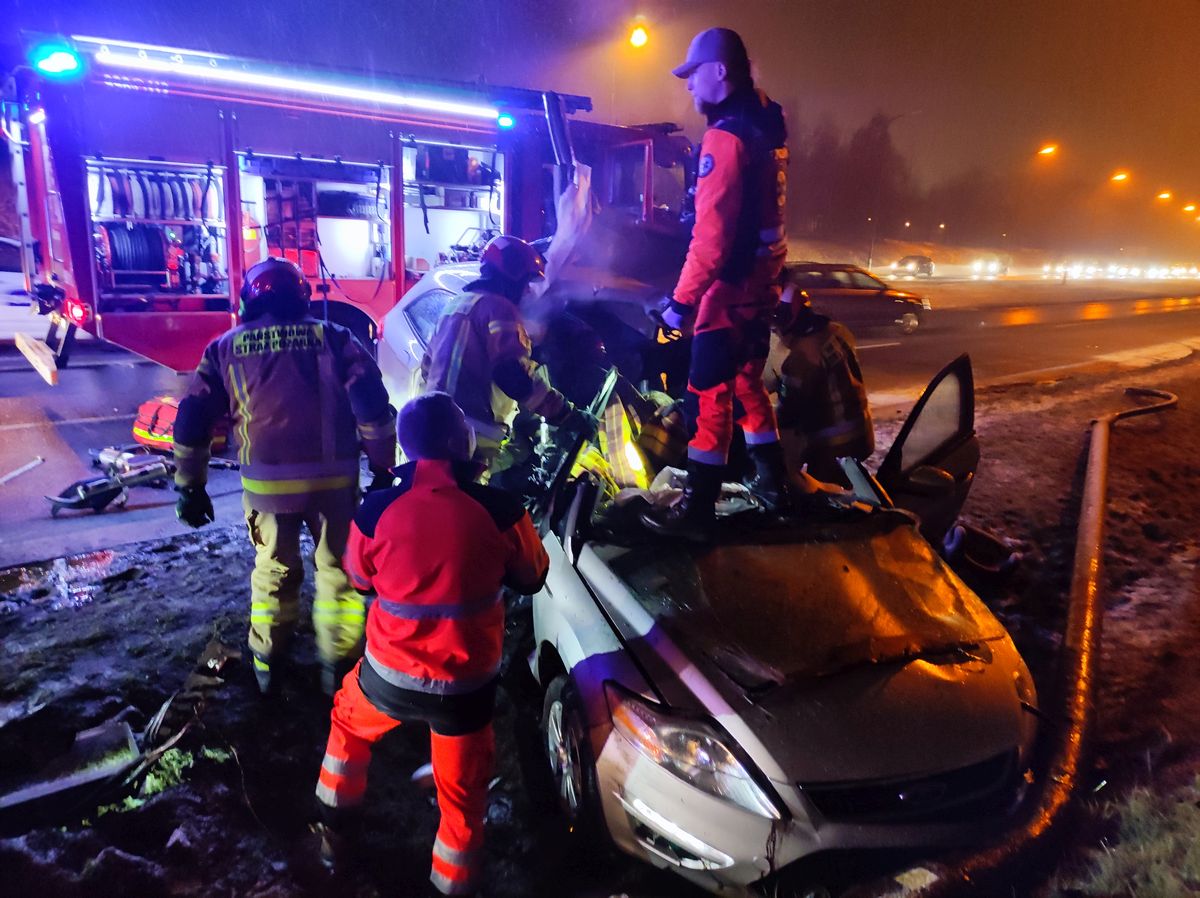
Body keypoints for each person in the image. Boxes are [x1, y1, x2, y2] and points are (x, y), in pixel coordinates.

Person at [313, 392, 550, 896]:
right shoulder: (501, 508)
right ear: (460, 443)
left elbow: (359, 579)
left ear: (407, 447)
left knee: (346, 731)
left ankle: (334, 838)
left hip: (388, 679)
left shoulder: (376, 509)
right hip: (467, 690)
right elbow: (531, 578)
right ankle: (453, 885)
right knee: (463, 802)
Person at [173, 257, 396, 695]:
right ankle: (339, 669)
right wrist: (384, 468)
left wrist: (190, 486)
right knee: (339, 572)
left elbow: (193, 419)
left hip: (267, 491)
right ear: (302, 298)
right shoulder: (335, 338)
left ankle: (267, 666)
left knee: (273, 572)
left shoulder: (225, 348)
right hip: (334, 486)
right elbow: (371, 405)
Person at [641, 27, 790, 539]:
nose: (688, 86)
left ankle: (698, 512)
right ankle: (774, 486)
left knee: (706, 396)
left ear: (719, 72)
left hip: (726, 291)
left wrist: (680, 305)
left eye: (693, 74)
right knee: (749, 385)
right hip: (759, 286)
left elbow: (711, 239)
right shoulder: (765, 130)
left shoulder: (725, 138)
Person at [422, 234, 579, 468]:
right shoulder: (499, 308)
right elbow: (511, 375)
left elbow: (427, 367)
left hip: (434, 426)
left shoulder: (457, 304)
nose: (526, 291)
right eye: (525, 282)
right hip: (472, 435)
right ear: (511, 278)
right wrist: (563, 413)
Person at [765, 284, 875, 485]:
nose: (777, 335)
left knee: (825, 500)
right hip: (862, 431)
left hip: (833, 447)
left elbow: (789, 417)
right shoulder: (837, 331)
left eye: (775, 328)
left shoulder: (800, 359)